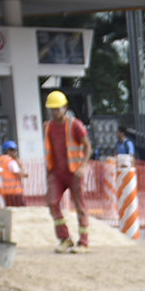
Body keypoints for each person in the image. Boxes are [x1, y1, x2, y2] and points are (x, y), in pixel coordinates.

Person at [41, 91, 93, 250]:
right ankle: (65, 238)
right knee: (52, 202)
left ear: (65, 108)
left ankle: (84, 242)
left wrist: (83, 166)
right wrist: (48, 175)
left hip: (74, 172)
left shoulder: (74, 125)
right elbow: (50, 151)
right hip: (57, 173)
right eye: (52, 109)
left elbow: (87, 147)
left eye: (58, 108)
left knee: (80, 206)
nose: (55, 112)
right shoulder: (48, 126)